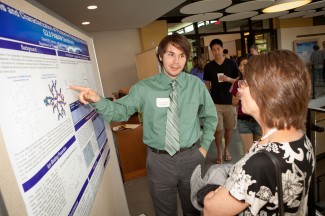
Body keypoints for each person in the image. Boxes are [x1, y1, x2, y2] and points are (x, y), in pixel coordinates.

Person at [70, 33, 218, 216]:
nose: (176, 61)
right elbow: (119, 111)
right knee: (164, 212)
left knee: (194, 209)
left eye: (181, 55)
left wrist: (203, 148)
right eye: (171, 54)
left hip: (191, 158)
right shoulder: (144, 88)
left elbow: (211, 117)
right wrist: (97, 99)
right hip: (159, 161)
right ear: (161, 56)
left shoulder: (196, 85)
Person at [200, 50, 315, 215]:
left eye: (245, 83)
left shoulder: (260, 162)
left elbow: (212, 209)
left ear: (265, 94)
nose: (240, 87)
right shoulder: (300, 137)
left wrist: (209, 188)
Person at [204, 38, 238, 164]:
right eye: (213, 50)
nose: (216, 52)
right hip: (215, 103)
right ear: (211, 51)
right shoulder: (209, 67)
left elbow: (238, 80)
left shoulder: (231, 63)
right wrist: (206, 98)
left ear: (222, 49)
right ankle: (219, 152)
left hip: (230, 101)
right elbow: (207, 84)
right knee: (218, 130)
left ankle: (227, 150)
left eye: (218, 49)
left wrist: (229, 79)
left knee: (229, 129)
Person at [232, 56, 261, 153]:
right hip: (243, 121)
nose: (241, 67)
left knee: (258, 150)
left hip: (258, 119)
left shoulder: (259, 81)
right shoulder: (237, 83)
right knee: (248, 152)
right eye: (240, 65)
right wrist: (237, 97)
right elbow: (234, 103)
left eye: (244, 64)